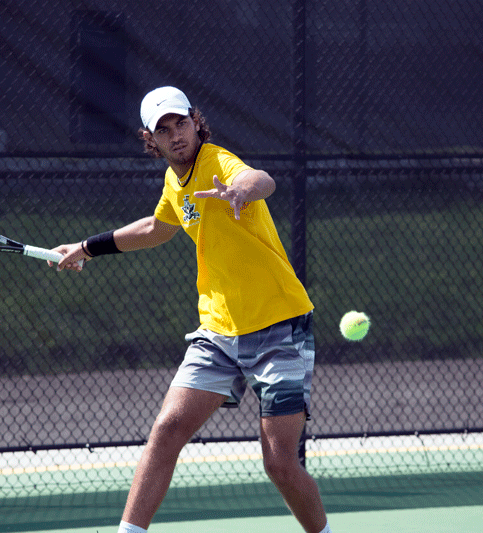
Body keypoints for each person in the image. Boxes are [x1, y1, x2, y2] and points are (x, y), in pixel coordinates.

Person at [52, 86, 332, 533]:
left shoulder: (218, 163)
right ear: (152, 140)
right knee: (167, 429)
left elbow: (261, 178)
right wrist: (87, 248)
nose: (176, 134)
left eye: (181, 123)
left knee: (279, 463)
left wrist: (240, 190)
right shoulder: (173, 181)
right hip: (219, 332)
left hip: (280, 328)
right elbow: (155, 228)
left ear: (195, 123)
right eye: (163, 129)